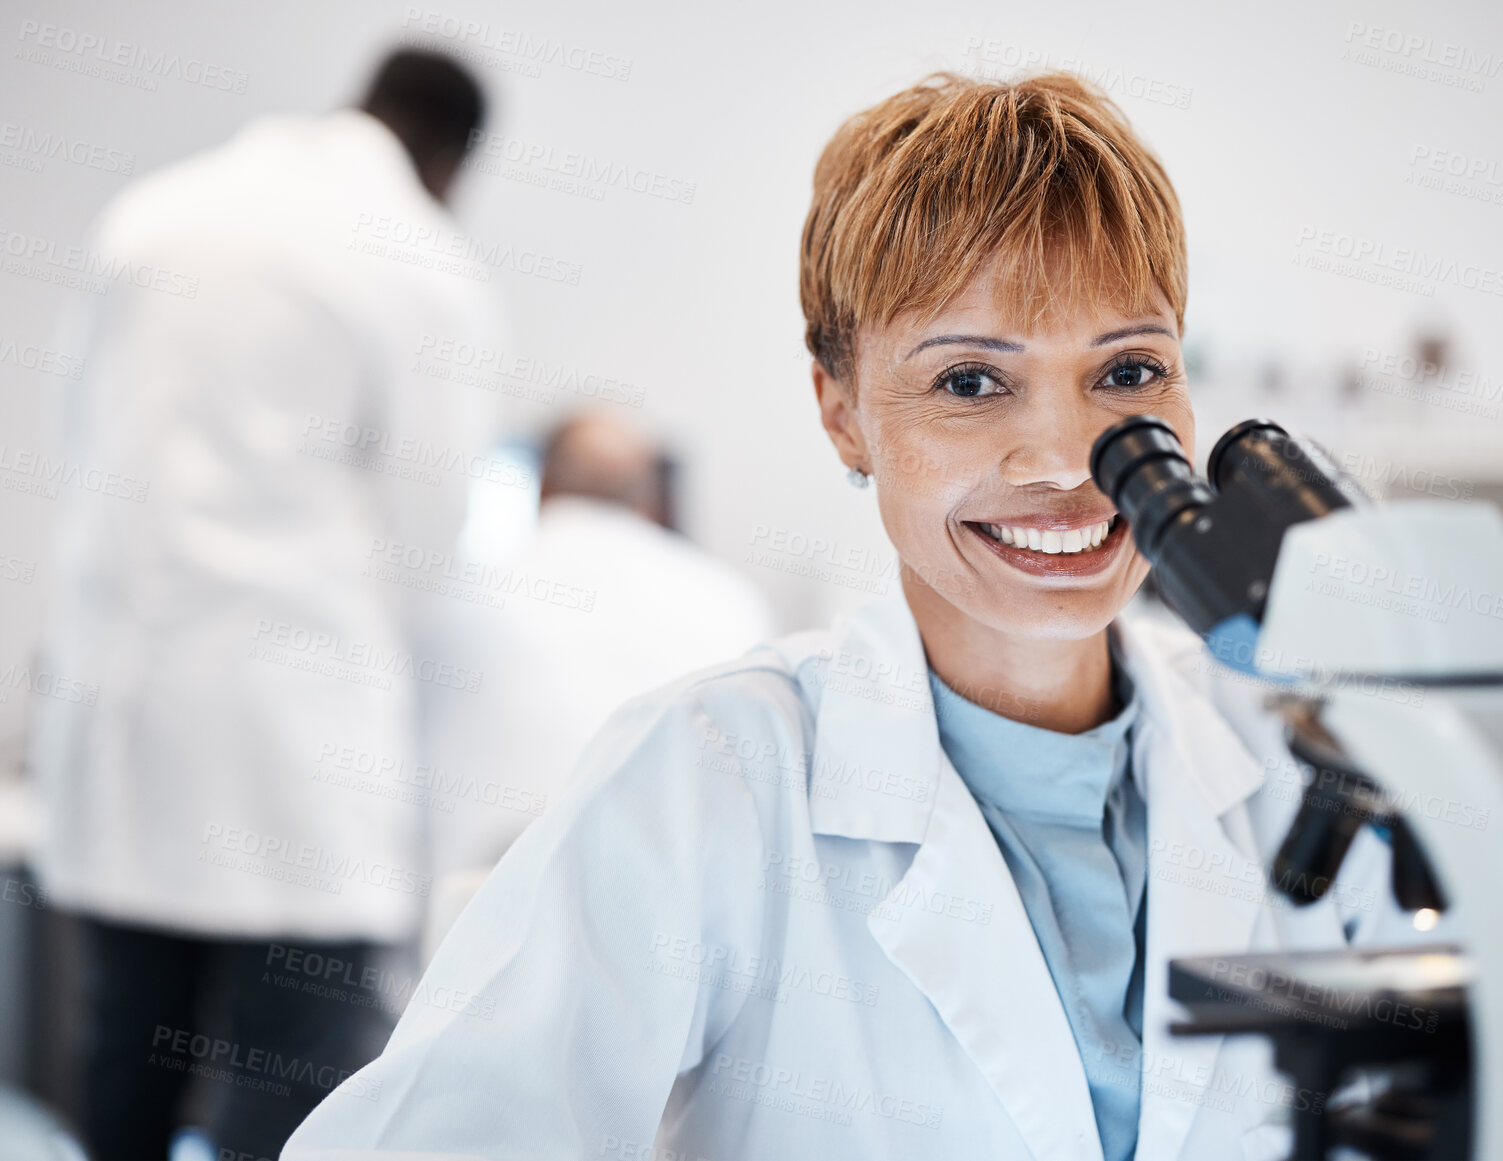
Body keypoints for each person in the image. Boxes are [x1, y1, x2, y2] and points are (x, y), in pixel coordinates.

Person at [285, 72, 1410, 1161]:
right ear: (841, 414)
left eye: (1127, 372)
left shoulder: (1299, 747)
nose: (1070, 460)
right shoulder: (711, 777)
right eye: (969, 381)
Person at [29, 51, 499, 1160]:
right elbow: (429, 528)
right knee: (299, 1072)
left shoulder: (154, 214)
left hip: (125, 705)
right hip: (294, 728)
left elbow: (79, 435)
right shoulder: (419, 258)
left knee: (127, 1051)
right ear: (453, 158)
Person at [416, 413, 774, 935]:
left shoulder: (464, 590)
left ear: (542, 485)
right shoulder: (730, 601)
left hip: (484, 909)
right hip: (679, 912)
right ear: (650, 497)